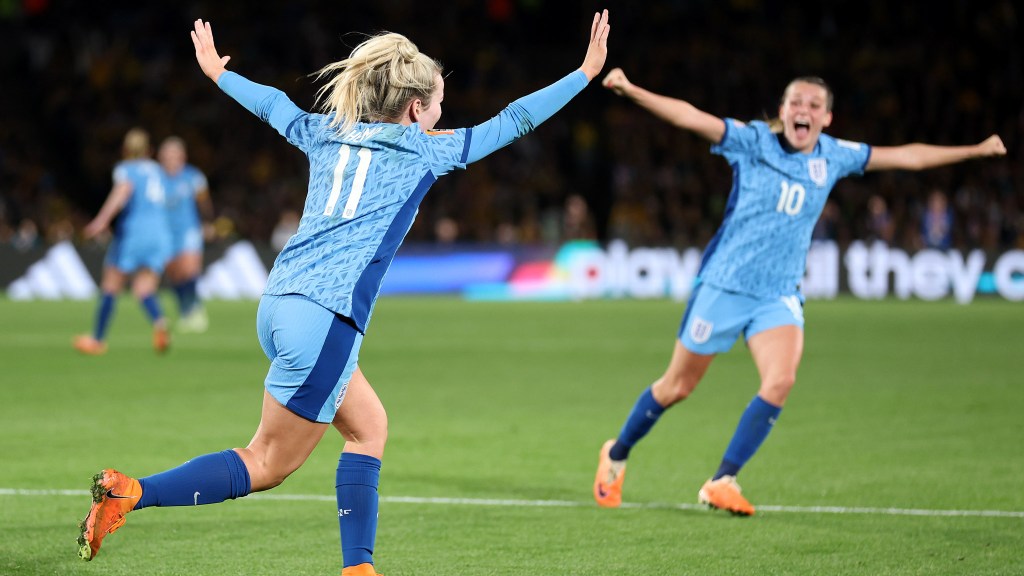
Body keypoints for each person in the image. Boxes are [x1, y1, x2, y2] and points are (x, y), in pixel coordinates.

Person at [77, 13, 610, 576]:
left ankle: (359, 568)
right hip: (325, 319)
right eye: (436, 106)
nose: (439, 116)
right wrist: (583, 73)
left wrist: (217, 74)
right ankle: (131, 494)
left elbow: (273, 105)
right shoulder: (425, 150)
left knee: (369, 427)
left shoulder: (325, 130)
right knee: (266, 461)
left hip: (280, 302)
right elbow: (516, 120)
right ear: (413, 110)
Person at [593, 68, 1006, 515]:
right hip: (724, 285)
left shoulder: (835, 155)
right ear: (783, 110)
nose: (803, 110)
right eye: (796, 102)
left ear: (827, 118)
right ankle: (616, 454)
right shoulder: (753, 142)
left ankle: (722, 480)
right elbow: (691, 117)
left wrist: (975, 150)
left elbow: (907, 157)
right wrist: (632, 90)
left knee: (781, 380)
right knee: (677, 386)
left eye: (813, 105)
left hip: (778, 293)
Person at [73, 127, 173, 355]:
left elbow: (122, 192)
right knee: (143, 288)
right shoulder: (157, 171)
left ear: (126, 149)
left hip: (134, 233)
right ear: (149, 149)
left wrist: (100, 221)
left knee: (110, 284)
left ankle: (97, 339)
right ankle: (160, 323)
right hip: (159, 234)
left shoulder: (126, 169)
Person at [159, 135, 214, 332]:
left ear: (182, 156)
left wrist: (207, 223)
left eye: (174, 154)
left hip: (189, 229)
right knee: (174, 274)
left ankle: (195, 310)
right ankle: (184, 310)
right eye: (167, 154)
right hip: (165, 232)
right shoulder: (156, 178)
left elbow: (203, 202)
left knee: (189, 269)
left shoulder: (193, 176)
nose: (170, 158)